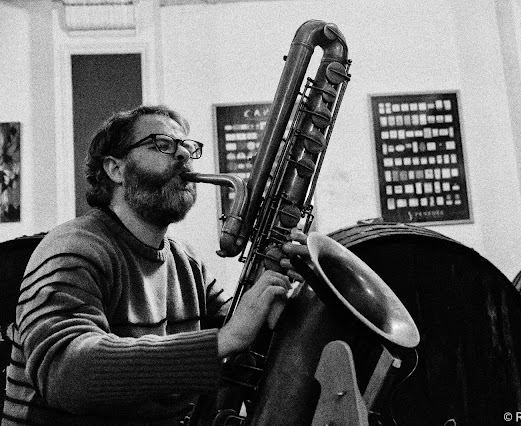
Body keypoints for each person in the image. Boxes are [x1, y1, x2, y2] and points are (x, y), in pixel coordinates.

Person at [2, 105, 308, 425]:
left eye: (187, 147)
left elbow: (244, 339)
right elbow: (67, 374)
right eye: (161, 144)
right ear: (115, 169)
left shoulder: (186, 261)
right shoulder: (74, 247)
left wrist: (278, 292)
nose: (182, 155)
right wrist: (224, 339)